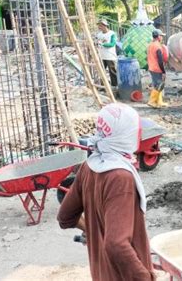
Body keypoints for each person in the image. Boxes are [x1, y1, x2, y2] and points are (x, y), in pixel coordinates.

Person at [58, 103, 154, 280]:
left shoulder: (90, 166)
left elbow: (65, 217)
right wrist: (144, 277)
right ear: (128, 135)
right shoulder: (120, 177)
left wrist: (94, 231)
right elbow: (116, 244)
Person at [146, 29, 168, 108]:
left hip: (151, 67)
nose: (162, 37)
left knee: (157, 85)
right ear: (158, 36)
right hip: (157, 68)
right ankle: (151, 101)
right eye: (161, 36)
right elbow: (160, 61)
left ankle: (159, 102)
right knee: (159, 85)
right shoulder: (158, 46)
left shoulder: (150, 45)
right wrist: (163, 71)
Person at [96, 19, 118, 88]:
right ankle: (103, 85)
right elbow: (97, 42)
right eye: (99, 25)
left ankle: (114, 86)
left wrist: (102, 44)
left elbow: (112, 44)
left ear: (105, 26)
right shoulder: (99, 34)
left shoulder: (112, 34)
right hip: (102, 56)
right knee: (102, 71)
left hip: (110, 56)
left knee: (112, 71)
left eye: (101, 25)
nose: (99, 27)